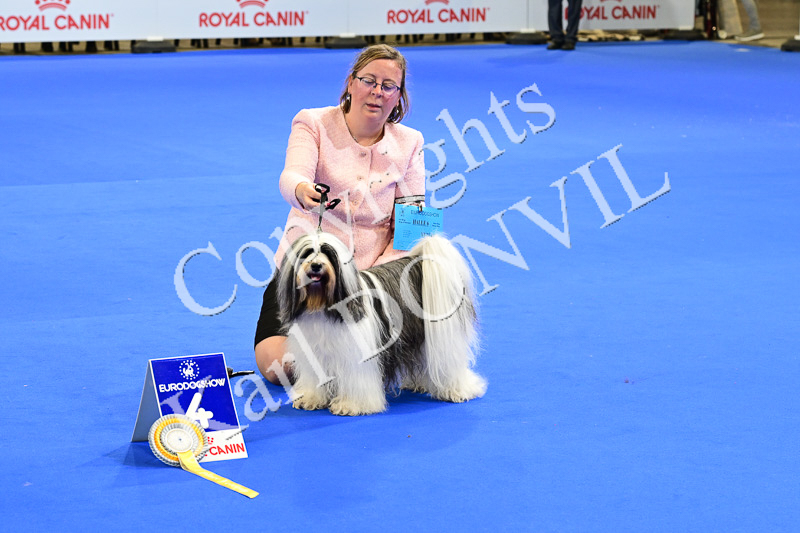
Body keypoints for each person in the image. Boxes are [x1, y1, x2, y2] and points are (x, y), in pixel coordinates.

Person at [254, 44, 426, 385]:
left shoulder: (411, 142)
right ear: (351, 83)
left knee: (357, 357)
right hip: (307, 270)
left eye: (388, 86)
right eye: (368, 80)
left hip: (373, 277)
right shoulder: (313, 122)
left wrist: (380, 277)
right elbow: (291, 175)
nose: (377, 92)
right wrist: (302, 189)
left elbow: (413, 226)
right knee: (279, 367)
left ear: (399, 96)